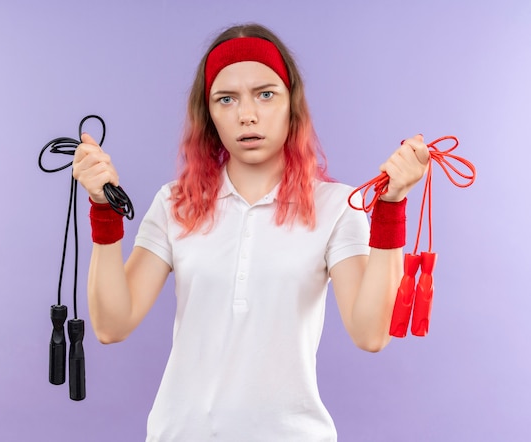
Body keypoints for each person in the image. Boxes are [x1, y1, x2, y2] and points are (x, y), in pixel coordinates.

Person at [72, 23, 429, 442]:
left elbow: (371, 334)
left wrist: (390, 208)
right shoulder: (175, 204)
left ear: (291, 105)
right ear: (209, 114)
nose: (247, 114)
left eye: (265, 94)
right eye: (227, 99)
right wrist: (103, 210)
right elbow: (111, 324)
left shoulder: (336, 206)